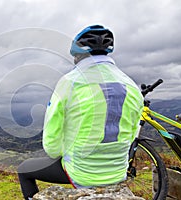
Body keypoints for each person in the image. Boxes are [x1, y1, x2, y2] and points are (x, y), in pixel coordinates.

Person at [17, 25, 144, 200]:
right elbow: (131, 135)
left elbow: (52, 145)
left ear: (77, 56)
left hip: (82, 173)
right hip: (117, 171)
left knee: (24, 169)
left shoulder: (69, 82)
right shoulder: (131, 85)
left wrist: (66, 151)